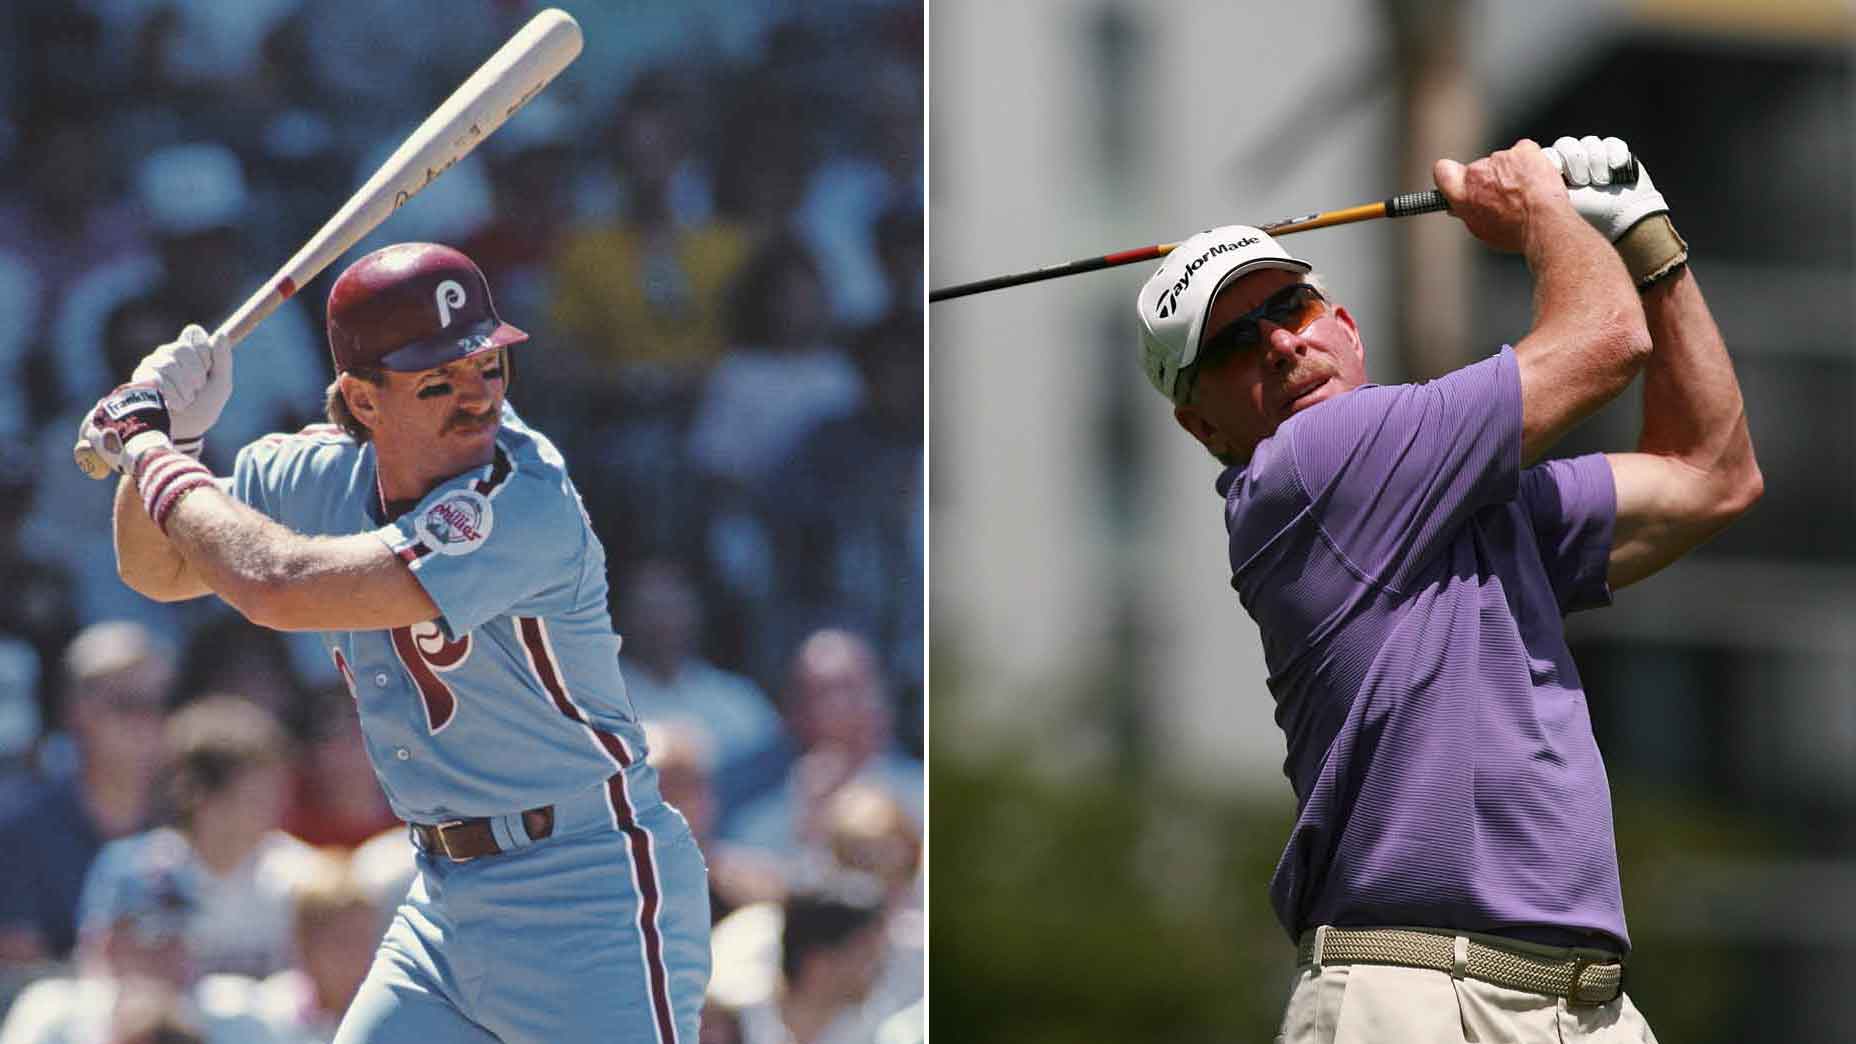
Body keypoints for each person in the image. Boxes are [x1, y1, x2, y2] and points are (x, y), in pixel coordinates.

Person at [1134, 134, 1761, 1042]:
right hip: (1412, 993)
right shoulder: (1307, 467)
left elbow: (1713, 475)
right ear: (1202, 427)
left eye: (1290, 306)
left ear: (1345, 326)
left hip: (1583, 1004)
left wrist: (1648, 241)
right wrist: (1542, 206)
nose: (1280, 343)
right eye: (1232, 344)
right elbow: (1607, 340)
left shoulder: (1465, 501)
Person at [76, 241, 711, 1043]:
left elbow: (277, 584)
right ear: (362, 399)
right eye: (438, 380)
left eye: (488, 367)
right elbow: (158, 568)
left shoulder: (524, 496)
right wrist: (176, 442)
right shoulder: (316, 474)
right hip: (444, 897)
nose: (476, 398)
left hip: (589, 889)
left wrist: (145, 446)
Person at [82, 695, 320, 980]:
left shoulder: (304, 875)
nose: (270, 807)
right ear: (198, 794)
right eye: (251, 796)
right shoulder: (134, 872)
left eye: (273, 793)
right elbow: (99, 974)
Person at [0, 621, 171, 966]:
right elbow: (18, 965)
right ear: (77, 711)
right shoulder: (18, 825)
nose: (148, 721)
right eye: (129, 703)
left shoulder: (187, 816)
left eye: (161, 703)